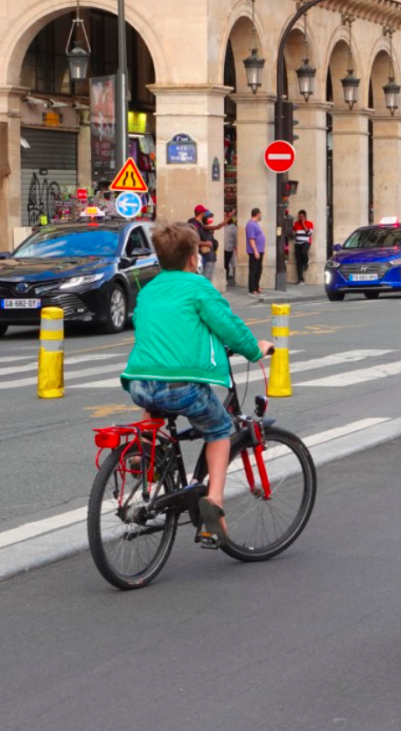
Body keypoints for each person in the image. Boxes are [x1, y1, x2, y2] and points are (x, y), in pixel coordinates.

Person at [120, 222, 272, 546]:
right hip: (180, 386)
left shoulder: (148, 289)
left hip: (139, 383)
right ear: (193, 258)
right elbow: (229, 327)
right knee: (218, 430)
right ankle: (214, 502)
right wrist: (255, 349)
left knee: (156, 414)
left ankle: (146, 456)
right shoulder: (198, 287)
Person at [246, 207, 266, 295]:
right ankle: (252, 288)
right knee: (253, 270)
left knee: (259, 270)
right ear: (257, 214)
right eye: (260, 214)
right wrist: (255, 251)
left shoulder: (256, 223)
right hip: (255, 251)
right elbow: (251, 239)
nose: (261, 215)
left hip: (260, 250)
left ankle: (257, 286)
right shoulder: (251, 224)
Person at [293, 209, 314, 284]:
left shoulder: (309, 223)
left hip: (306, 242)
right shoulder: (296, 224)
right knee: (298, 262)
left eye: (301, 216)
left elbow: (309, 233)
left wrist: (303, 223)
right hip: (297, 243)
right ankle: (300, 279)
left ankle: (306, 262)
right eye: (299, 216)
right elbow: (294, 233)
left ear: (305, 216)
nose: (300, 218)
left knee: (304, 252)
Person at [223, 210, 238, 286]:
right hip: (222, 248)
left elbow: (236, 239)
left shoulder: (233, 228)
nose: (224, 217)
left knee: (226, 263)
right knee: (225, 263)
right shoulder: (222, 226)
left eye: (225, 216)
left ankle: (226, 279)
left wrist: (235, 247)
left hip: (228, 248)